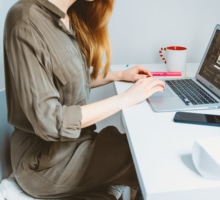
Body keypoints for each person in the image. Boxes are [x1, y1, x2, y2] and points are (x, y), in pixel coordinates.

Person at [3, 0, 165, 199]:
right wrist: (126, 99)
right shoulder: (25, 21)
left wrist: (118, 75)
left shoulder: (67, 15)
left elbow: (66, 80)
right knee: (146, 159)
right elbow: (51, 121)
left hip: (75, 145)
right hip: (44, 164)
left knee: (146, 146)